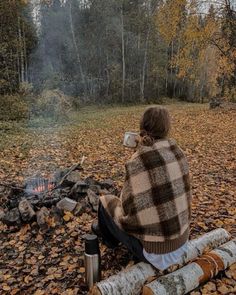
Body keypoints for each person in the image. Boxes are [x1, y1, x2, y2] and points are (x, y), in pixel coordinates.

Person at [92, 106, 192, 270]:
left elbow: (127, 207)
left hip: (155, 254)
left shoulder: (138, 159)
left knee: (106, 201)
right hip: (182, 242)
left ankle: (109, 241)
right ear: (166, 128)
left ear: (142, 127)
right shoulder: (178, 151)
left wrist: (136, 156)